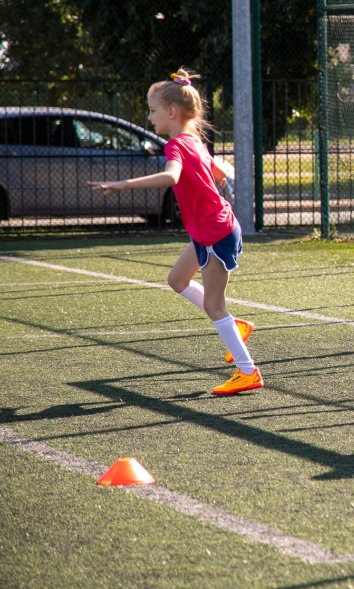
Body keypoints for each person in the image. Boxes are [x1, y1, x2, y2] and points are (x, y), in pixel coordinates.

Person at [88, 68, 262, 396]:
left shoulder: (176, 147)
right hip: (208, 231)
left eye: (153, 111)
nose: (149, 116)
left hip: (215, 233)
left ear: (171, 113)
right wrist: (219, 174)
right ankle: (237, 327)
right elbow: (212, 168)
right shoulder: (192, 140)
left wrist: (123, 184)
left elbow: (172, 177)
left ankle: (248, 371)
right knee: (177, 281)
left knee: (214, 306)